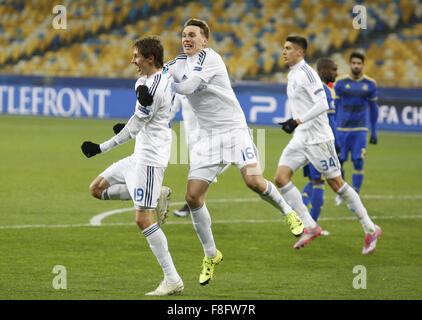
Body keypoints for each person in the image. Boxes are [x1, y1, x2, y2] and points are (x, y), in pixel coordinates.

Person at [165, 18, 304, 286]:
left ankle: (288, 211)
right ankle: (211, 255)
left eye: (192, 34)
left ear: (204, 40)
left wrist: (166, 84)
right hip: (208, 139)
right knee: (193, 198)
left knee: (253, 181)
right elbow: (159, 77)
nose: (187, 38)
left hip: (234, 132)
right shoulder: (177, 63)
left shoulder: (210, 58)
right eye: (184, 34)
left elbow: (188, 87)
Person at [80, 36, 184, 296]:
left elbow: (134, 128)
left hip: (150, 159)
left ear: (149, 58)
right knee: (97, 188)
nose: (132, 60)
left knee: (142, 219)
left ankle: (172, 279)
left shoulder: (156, 89)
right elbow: (140, 107)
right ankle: (153, 193)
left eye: (136, 56)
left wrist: (100, 148)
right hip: (141, 153)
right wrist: (138, 95)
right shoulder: (150, 79)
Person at [274, 36, 381, 254]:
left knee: (337, 184)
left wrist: (297, 121)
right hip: (301, 137)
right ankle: (311, 226)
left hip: (319, 139)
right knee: (280, 178)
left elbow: (322, 104)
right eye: (283, 48)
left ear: (300, 53)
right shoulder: (292, 74)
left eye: (288, 48)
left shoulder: (307, 74)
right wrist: (296, 122)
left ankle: (370, 228)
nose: (283, 52)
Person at [333, 52, 378, 206]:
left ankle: (355, 196)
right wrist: (333, 128)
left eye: (359, 63)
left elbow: (374, 108)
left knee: (358, 162)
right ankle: (342, 193)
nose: (356, 66)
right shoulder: (340, 82)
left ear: (363, 65)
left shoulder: (370, 84)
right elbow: (335, 107)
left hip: (360, 130)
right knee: (340, 163)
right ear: (349, 64)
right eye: (354, 63)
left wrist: (374, 131)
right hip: (342, 130)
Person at [300, 58, 340, 233]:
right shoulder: (326, 92)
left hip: (304, 140)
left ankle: (300, 217)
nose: (336, 73)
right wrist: (336, 145)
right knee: (319, 184)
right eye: (334, 70)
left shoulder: (307, 88)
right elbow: (330, 121)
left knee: (313, 181)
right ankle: (312, 227)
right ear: (324, 72)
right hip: (321, 143)